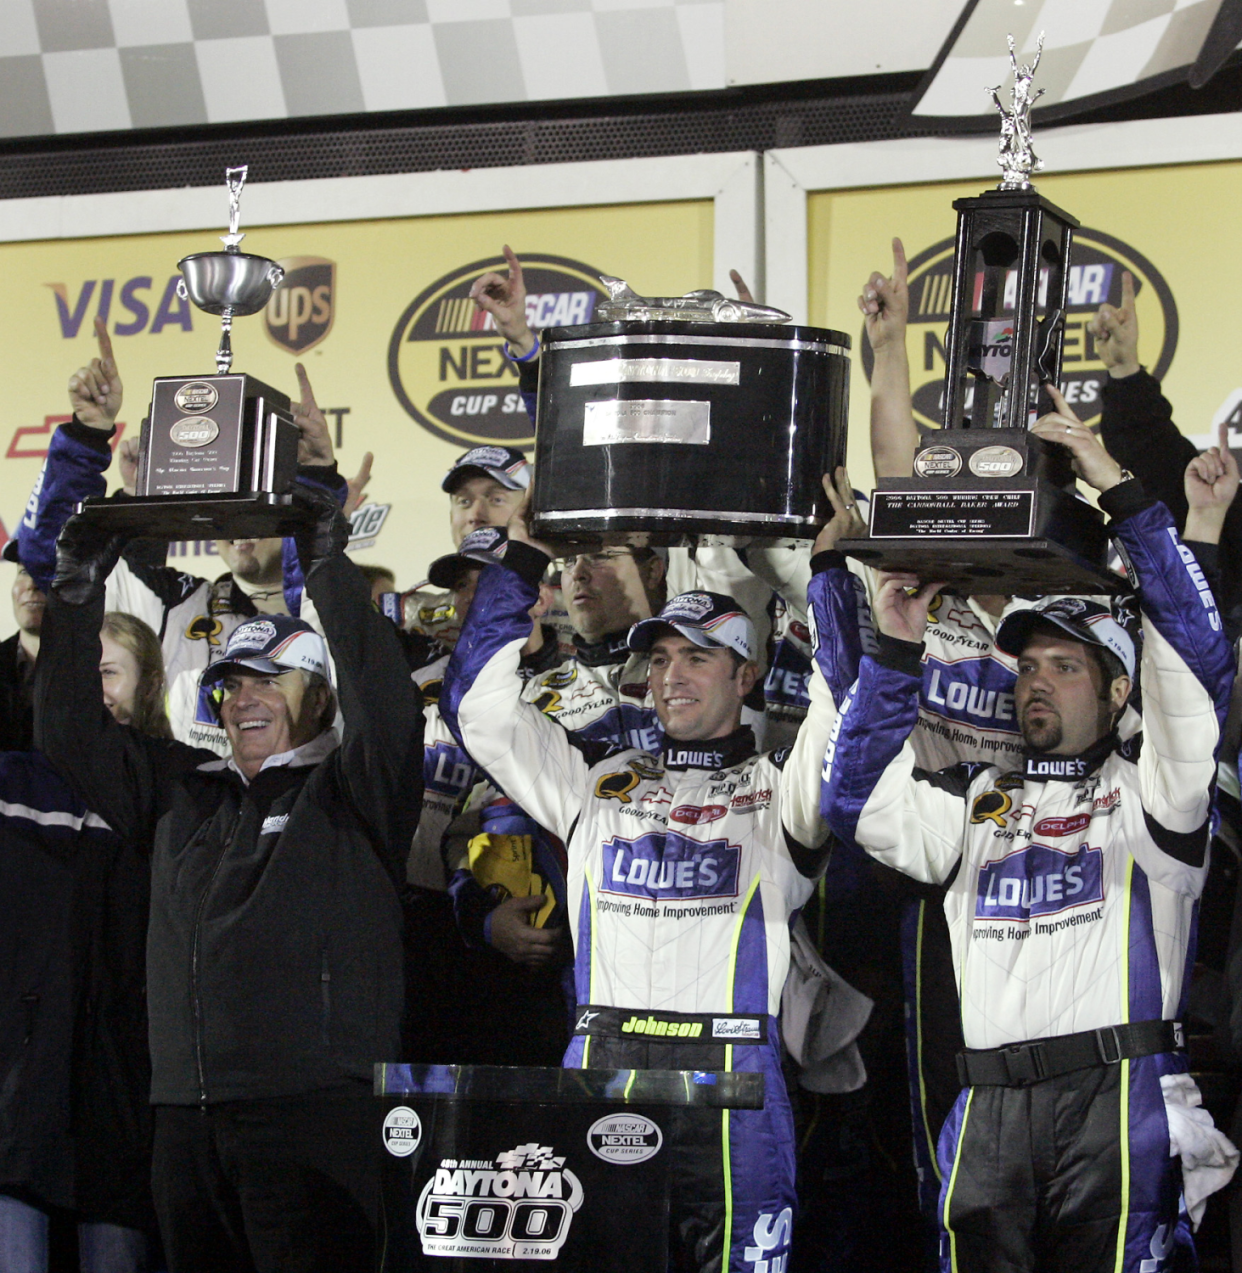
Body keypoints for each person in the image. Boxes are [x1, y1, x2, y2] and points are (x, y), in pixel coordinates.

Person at [820, 416, 1238, 1269]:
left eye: (1067, 664)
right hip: (984, 1104)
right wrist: (896, 644)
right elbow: (852, 798)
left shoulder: (1156, 793)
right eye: (1030, 665)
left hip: (1117, 1096)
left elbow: (1197, 663)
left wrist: (1120, 490)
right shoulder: (975, 804)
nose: (1038, 679)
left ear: (1120, 689)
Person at [439, 482, 850, 1272]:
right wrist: (521, 558)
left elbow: (849, 705)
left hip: (736, 1081)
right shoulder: (595, 782)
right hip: (604, 1070)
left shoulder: (778, 792)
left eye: (699, 656)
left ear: (748, 677)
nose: (672, 674)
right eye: (659, 657)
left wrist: (827, 574)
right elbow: (480, 709)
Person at [34, 483, 424, 1273]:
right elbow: (69, 730)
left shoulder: (354, 792)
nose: (243, 698)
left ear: (317, 695)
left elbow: (387, 705)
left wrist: (324, 560)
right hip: (182, 1122)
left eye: (267, 681)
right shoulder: (183, 790)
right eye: (230, 682)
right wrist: (75, 592)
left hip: (311, 1118)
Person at [14, 323, 351, 754]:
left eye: (252, 509)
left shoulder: (328, 613)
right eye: (229, 512)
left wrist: (316, 481)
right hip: (186, 807)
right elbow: (57, 563)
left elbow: (316, 570)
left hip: (304, 806)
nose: (241, 528)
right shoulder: (175, 603)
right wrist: (86, 434)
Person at [1, 610, 170, 1273]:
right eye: (76, 673)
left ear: (150, 684)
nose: (91, 688)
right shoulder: (11, 780)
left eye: (107, 671)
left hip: (125, 1099)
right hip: (20, 1104)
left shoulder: (181, 783)